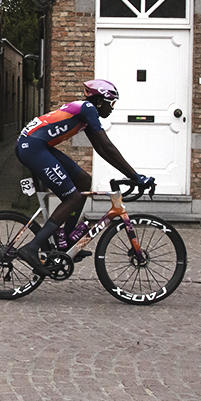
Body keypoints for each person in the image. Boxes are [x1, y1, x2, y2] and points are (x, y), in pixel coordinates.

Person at [14, 78, 151, 276]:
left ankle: (67, 239)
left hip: (37, 145)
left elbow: (102, 150)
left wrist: (131, 175)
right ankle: (31, 248)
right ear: (100, 101)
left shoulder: (85, 114)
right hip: (32, 147)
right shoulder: (87, 109)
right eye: (111, 103)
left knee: (84, 182)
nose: (112, 108)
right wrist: (136, 177)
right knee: (73, 197)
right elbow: (107, 147)